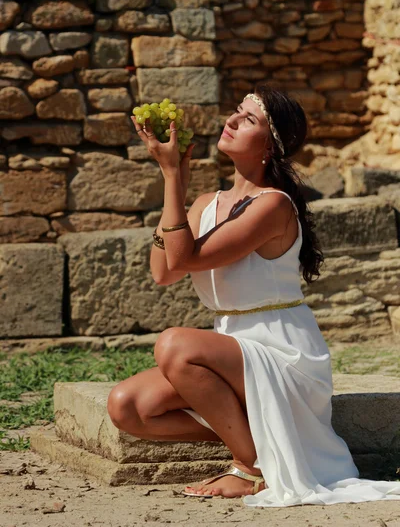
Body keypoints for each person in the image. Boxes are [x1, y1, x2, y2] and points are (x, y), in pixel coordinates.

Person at [107, 85, 400, 507]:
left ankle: (251, 466)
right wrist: (179, 184)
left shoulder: (272, 206)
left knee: (174, 343)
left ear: (269, 145)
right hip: (232, 349)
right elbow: (163, 271)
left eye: (248, 120)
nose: (231, 121)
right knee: (127, 407)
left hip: (282, 352)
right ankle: (265, 432)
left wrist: (172, 176)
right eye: (236, 112)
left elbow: (185, 257)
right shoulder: (208, 203)